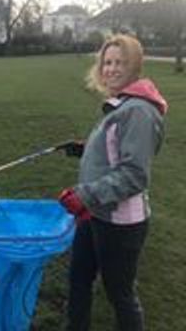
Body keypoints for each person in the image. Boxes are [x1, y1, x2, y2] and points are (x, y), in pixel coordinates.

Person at [58, 34, 168, 331]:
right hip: (95, 212)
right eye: (107, 62)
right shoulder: (122, 104)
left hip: (120, 222)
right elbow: (115, 150)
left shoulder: (140, 111)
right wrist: (85, 149)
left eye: (120, 62)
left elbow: (134, 174)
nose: (112, 69)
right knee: (79, 278)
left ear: (134, 66)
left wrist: (86, 196)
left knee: (119, 294)